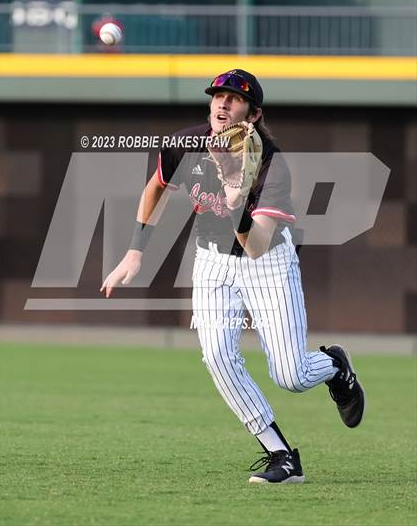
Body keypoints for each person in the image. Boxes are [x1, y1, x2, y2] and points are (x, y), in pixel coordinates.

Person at [100, 69, 365, 484]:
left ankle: (335, 366)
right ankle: (280, 454)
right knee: (218, 357)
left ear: (253, 114)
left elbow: (256, 245)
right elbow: (156, 187)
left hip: (267, 262)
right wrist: (135, 253)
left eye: (234, 99)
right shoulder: (186, 144)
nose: (223, 103)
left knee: (291, 375)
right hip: (212, 262)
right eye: (217, 96)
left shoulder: (272, 167)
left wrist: (234, 194)